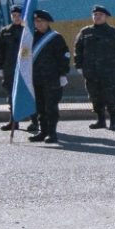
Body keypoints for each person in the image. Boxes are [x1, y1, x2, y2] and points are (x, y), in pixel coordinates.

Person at [74, 4, 115, 130]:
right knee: (94, 96)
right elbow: (78, 49)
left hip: (109, 71)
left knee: (111, 96)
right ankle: (100, 120)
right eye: (95, 15)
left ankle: (113, 121)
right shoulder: (85, 32)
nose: (97, 17)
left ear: (106, 17)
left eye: (100, 15)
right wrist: (78, 65)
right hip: (91, 71)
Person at [26, 9, 70, 144]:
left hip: (51, 79)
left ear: (47, 22)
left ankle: (52, 133)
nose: (38, 24)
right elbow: (23, 57)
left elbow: (64, 57)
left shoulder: (55, 38)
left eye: (40, 21)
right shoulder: (29, 37)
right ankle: (43, 132)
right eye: (35, 21)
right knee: (40, 107)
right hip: (36, 78)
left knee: (51, 107)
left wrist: (63, 74)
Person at [0, 5, 25, 131]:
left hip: (27, 69)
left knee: (30, 94)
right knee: (12, 95)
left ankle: (35, 122)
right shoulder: (5, 31)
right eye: (14, 15)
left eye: (19, 15)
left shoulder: (28, 30)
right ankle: (13, 121)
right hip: (10, 68)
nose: (16, 18)